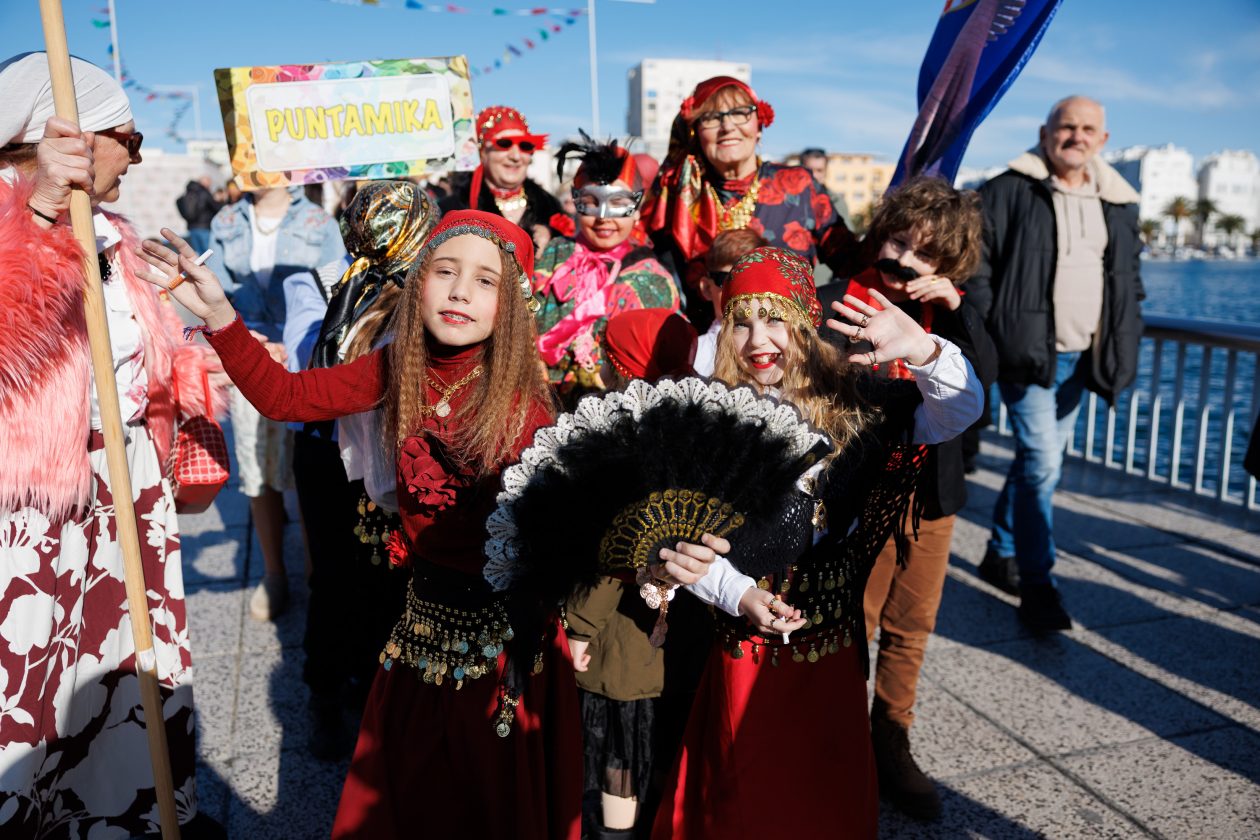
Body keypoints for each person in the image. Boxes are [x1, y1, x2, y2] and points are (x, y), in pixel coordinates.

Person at [137, 210, 724, 838]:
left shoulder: (525, 410)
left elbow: (579, 537)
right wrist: (221, 316)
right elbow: (287, 397)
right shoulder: (398, 367)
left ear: (513, 307)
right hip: (419, 630)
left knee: (486, 801)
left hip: (504, 648)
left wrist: (657, 557)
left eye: (485, 280)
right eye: (444, 270)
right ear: (419, 283)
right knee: (409, 796)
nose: (460, 290)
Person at [652, 246, 984, 839]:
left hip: (830, 643)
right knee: (744, 793)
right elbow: (685, 545)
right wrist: (738, 595)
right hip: (743, 647)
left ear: (804, 323)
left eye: (775, 317)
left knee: (821, 788)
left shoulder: (860, 405)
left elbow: (957, 411)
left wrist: (925, 349)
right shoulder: (707, 419)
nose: (758, 338)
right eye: (742, 320)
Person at [0, 52, 226, 837]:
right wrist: (33, 216)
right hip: (33, 511)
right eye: (124, 136)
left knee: (124, 687)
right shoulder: (6, 213)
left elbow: (138, 364)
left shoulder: (115, 231)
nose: (135, 153)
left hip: (125, 490)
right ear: (60, 133)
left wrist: (200, 349)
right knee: (35, 693)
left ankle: (124, 818)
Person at [828, 176, 997, 820]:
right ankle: (839, 735)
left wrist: (954, 308)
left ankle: (891, 737)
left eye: (926, 254)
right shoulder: (841, 297)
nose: (906, 261)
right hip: (862, 489)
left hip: (932, 490)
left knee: (912, 623)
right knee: (854, 618)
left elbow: (986, 381)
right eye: (900, 241)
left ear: (947, 265)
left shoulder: (954, 310)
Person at [967, 96, 1143, 633]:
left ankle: (1000, 551)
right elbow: (978, 271)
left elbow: (1128, 280)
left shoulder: (1118, 201)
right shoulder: (1006, 189)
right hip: (1028, 358)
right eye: (1067, 126)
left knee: (1036, 464)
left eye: (1088, 129)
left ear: (1103, 140)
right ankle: (1039, 585)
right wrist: (994, 335)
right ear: (1046, 132)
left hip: (1082, 358)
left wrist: (1122, 338)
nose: (1077, 136)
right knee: (1042, 464)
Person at [280, 180, 438, 759]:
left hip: (402, 451)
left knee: (396, 578)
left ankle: (386, 691)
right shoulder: (317, 281)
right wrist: (351, 304)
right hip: (329, 451)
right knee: (335, 577)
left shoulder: (432, 283)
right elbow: (310, 371)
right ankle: (326, 693)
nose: (384, 230)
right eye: (372, 219)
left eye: (399, 219)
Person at [567, 308, 698, 840]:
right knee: (652, 742)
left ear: (623, 368)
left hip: (617, 637)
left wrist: (578, 626)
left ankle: (614, 835)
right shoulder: (690, 435)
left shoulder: (624, 447)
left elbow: (610, 559)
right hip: (677, 637)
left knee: (616, 755)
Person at [207, 184, 345, 621]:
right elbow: (219, 295)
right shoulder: (225, 222)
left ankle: (315, 571)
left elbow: (336, 290)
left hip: (303, 355)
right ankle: (274, 573)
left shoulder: (319, 222)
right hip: (249, 351)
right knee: (257, 469)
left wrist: (295, 343)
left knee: (304, 468)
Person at [643, 76, 863, 330]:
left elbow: (854, 264)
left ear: (759, 127)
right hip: (706, 357)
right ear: (696, 132)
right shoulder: (677, 195)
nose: (727, 126)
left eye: (740, 113)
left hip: (793, 354)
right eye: (712, 117)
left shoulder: (799, 185)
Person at [533, 135, 679, 398]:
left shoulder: (653, 280)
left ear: (636, 209)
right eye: (590, 203)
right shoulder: (553, 256)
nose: (603, 218)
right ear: (576, 202)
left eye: (618, 204)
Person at [439, 105, 564, 252]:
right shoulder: (452, 209)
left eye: (525, 145)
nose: (516, 157)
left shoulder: (550, 207)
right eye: (504, 144)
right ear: (483, 153)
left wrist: (552, 237)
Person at [693, 229, 766, 376]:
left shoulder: (788, 347)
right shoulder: (692, 356)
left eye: (753, 280)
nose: (742, 293)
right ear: (707, 288)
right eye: (728, 280)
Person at [175, 174, 220, 254]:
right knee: (209, 253)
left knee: (199, 254)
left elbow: (179, 203)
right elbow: (216, 207)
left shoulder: (188, 192)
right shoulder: (204, 193)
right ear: (205, 182)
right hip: (205, 227)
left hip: (192, 228)